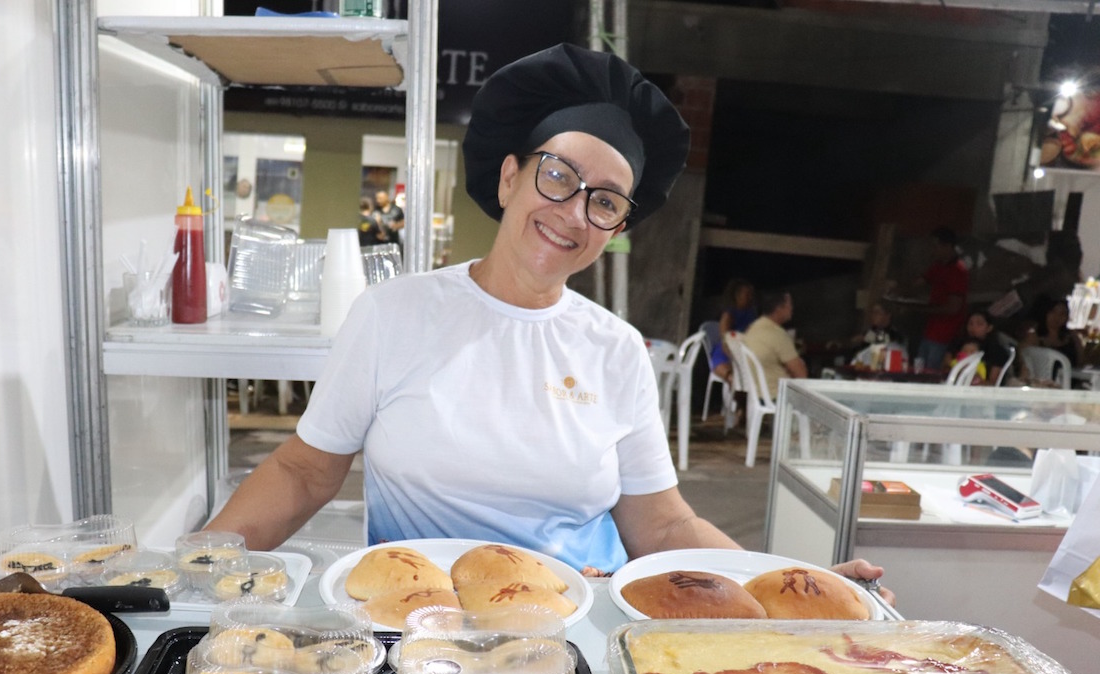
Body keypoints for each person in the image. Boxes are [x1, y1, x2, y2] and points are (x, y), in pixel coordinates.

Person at [205, 44, 887, 595]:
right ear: (509, 178)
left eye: (606, 202)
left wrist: (782, 586)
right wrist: (199, 563)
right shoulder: (394, 313)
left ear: (615, 229)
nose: (573, 213)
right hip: (416, 620)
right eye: (558, 175)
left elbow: (662, 525)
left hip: (568, 626)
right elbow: (304, 472)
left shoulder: (615, 349)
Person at [898, 227, 969, 371]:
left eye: (935, 246)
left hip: (945, 334)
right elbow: (921, 281)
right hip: (929, 331)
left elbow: (953, 308)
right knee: (919, 369)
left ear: (947, 246)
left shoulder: (958, 271)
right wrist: (900, 291)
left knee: (931, 373)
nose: (932, 250)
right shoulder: (938, 266)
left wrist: (919, 308)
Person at [741, 291, 808, 398]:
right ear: (779, 309)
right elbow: (801, 376)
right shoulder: (777, 334)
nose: (791, 309)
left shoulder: (752, 329)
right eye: (789, 305)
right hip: (776, 397)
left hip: (755, 397)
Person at [706, 278, 757, 383]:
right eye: (747, 295)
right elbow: (725, 340)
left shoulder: (751, 313)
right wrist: (736, 358)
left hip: (746, 349)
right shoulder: (728, 315)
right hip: (728, 350)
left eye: (751, 295)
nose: (750, 297)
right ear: (737, 296)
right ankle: (733, 383)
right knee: (724, 367)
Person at [946, 309, 1010, 385]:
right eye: (970, 324)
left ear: (989, 328)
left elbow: (993, 383)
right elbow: (945, 367)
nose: (973, 327)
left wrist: (975, 380)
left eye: (979, 324)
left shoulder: (997, 351)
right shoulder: (957, 344)